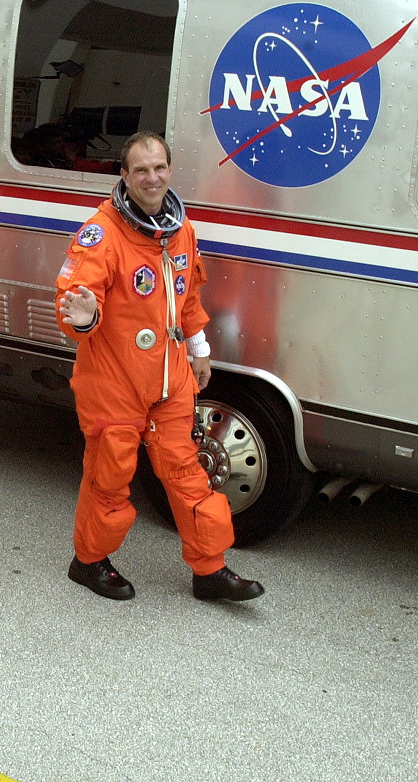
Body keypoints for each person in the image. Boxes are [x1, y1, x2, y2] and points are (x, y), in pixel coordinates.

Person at [55, 130, 264, 602]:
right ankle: (89, 561)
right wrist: (83, 318)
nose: (152, 178)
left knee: (187, 472)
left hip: (169, 379)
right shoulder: (103, 233)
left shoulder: (179, 228)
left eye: (159, 167)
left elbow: (186, 296)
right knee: (110, 477)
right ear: (124, 175)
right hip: (114, 381)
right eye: (141, 170)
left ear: (169, 170)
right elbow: (71, 303)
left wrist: (199, 347)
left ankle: (209, 570)